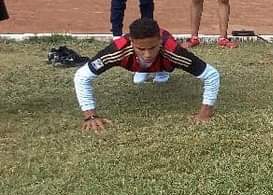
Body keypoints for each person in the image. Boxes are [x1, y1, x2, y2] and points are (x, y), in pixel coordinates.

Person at [73, 18, 220, 133]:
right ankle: (141, 67)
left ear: (160, 41)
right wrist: (90, 116)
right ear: (131, 42)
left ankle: (160, 69)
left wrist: (205, 113)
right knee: (144, 63)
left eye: (152, 47)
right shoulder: (117, 50)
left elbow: (211, 75)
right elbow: (81, 77)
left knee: (164, 64)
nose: (148, 54)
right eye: (141, 49)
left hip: (164, 61)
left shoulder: (173, 50)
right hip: (134, 61)